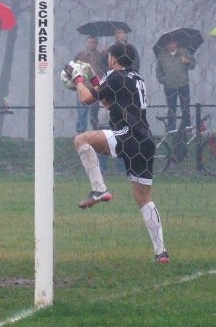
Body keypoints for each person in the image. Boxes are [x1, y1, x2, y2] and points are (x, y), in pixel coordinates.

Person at [66, 42, 171, 264]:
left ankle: (99, 189)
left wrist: (78, 79)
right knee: (143, 197)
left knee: (81, 139)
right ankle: (161, 252)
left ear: (113, 59)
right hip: (146, 141)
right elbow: (107, 102)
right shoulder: (136, 77)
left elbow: (87, 99)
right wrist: (94, 78)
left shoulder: (115, 76)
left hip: (126, 134)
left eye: (109, 57)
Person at [155, 37, 196, 132]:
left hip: (183, 85)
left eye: (173, 42)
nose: (171, 45)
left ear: (176, 43)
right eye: (169, 43)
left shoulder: (184, 52)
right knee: (171, 109)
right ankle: (171, 130)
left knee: (185, 108)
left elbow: (193, 64)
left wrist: (187, 61)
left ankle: (187, 129)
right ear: (166, 44)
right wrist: (163, 80)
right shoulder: (162, 55)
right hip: (169, 87)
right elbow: (158, 71)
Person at [73, 35, 106, 133]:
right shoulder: (81, 55)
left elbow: (105, 68)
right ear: (87, 43)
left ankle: (95, 129)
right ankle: (81, 131)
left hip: (95, 86)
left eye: (93, 42)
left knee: (94, 111)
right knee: (82, 110)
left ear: (96, 44)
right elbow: (74, 68)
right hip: (83, 86)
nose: (91, 44)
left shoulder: (100, 55)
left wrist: (105, 53)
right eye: (90, 42)